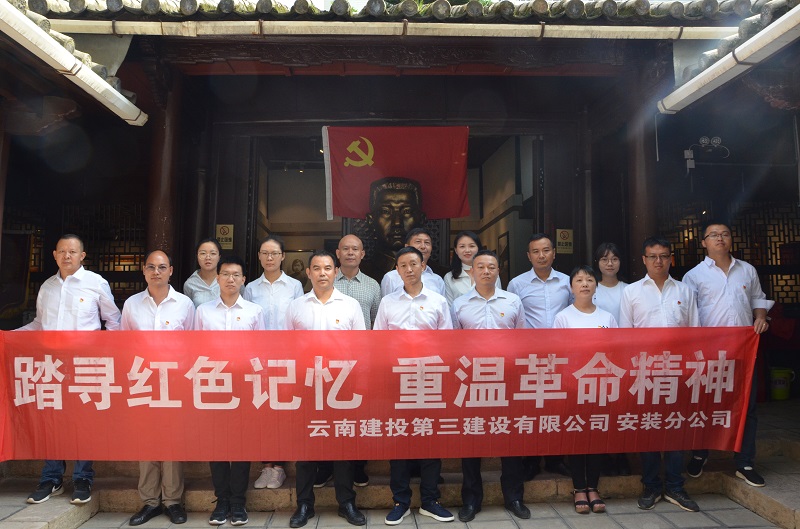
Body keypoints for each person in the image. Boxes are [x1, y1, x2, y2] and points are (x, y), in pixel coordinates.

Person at [20, 234, 121, 505]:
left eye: (72, 251)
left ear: (82, 255)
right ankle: (51, 478)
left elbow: (113, 321)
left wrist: (105, 354)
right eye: (62, 251)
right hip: (52, 365)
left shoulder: (95, 283)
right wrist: (9, 336)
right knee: (52, 420)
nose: (67, 256)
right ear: (54, 255)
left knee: (83, 422)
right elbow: (39, 324)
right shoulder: (48, 287)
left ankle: (82, 478)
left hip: (85, 365)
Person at [682, 221, 774, 487]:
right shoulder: (694, 276)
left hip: (743, 348)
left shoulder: (747, 270)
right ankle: (700, 453)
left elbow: (757, 299)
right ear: (704, 242)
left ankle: (744, 462)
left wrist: (761, 318)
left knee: (746, 406)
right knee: (704, 404)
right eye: (713, 235)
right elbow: (689, 313)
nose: (719, 238)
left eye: (724, 234)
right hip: (709, 353)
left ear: (731, 239)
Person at [285, 251, 367, 529]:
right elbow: (286, 350)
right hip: (305, 385)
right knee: (305, 449)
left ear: (335, 272)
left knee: (343, 447)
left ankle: (346, 502)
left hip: (341, 387)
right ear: (308, 273)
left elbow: (360, 348)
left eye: (328, 268)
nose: (322, 273)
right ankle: (304, 504)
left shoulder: (350, 305)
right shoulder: (295, 307)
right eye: (317, 268)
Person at [619, 236, 700, 513]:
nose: (658, 261)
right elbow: (625, 335)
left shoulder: (685, 291)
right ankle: (651, 485)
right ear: (644, 260)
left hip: (678, 370)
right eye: (652, 256)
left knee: (676, 427)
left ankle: (676, 485)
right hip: (645, 372)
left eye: (664, 256)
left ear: (671, 259)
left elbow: (695, 332)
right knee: (649, 428)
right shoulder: (631, 292)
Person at [374, 246, 454, 526]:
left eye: (413, 264)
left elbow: (447, 342)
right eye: (403, 265)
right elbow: (379, 342)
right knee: (398, 440)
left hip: (430, 378)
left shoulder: (438, 301)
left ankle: (430, 500)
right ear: (396, 270)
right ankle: (401, 501)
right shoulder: (388, 303)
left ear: (422, 266)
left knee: (430, 437)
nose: (409, 269)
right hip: (397, 380)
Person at [450, 250, 530, 522]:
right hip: (472, 381)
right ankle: (471, 499)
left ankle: (514, 497)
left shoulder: (513, 301)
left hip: (507, 379)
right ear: (472, 271)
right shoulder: (459, 304)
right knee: (472, 439)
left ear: (498, 271)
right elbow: (453, 344)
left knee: (510, 438)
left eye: (491, 267)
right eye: (481, 267)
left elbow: (522, 340)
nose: (486, 271)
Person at [121, 250, 194, 526]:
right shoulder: (131, 304)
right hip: (142, 381)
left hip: (174, 382)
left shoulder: (185, 304)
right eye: (151, 267)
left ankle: (172, 501)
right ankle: (150, 501)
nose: (156, 272)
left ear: (171, 271)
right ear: (143, 270)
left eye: (162, 267)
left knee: (172, 441)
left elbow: (193, 345)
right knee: (147, 440)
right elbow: (124, 343)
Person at [195, 255, 265, 526]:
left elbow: (260, 354)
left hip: (244, 387)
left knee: (241, 446)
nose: (231, 279)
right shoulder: (203, 311)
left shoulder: (254, 312)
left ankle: (238, 502)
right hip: (213, 386)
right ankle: (222, 499)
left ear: (244, 279)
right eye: (225, 274)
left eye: (236, 275)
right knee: (217, 445)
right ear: (217, 278)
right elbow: (196, 350)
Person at [311, 235, 381, 490]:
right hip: (323, 364)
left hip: (358, 364)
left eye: (355, 249)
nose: (350, 252)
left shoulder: (373, 285)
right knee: (323, 416)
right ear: (338, 253)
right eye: (345, 249)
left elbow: (375, 323)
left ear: (363, 254)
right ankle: (325, 467)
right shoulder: (325, 280)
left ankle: (357, 466)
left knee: (356, 416)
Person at [507, 233, 572, 478]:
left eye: (546, 250)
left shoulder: (567, 282)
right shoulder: (517, 284)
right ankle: (531, 459)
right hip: (530, 355)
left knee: (557, 406)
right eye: (536, 251)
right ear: (528, 256)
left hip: (560, 354)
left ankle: (555, 459)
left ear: (554, 253)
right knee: (531, 407)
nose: (541, 256)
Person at [553, 265, 617, 515]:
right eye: (579, 280)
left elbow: (616, 352)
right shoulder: (563, 317)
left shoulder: (607, 318)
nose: (584, 284)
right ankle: (579, 487)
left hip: (601, 385)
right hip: (573, 386)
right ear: (571, 287)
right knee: (577, 435)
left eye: (589, 280)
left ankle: (593, 487)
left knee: (597, 436)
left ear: (596, 286)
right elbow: (558, 355)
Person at [243, 235, 303, 491]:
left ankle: (279, 466)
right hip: (259, 360)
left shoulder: (294, 286)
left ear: (282, 256)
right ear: (259, 256)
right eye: (265, 253)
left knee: (283, 412)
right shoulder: (250, 288)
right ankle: (266, 465)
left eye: (274, 253)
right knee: (263, 413)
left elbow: (298, 321)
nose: (269, 258)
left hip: (287, 358)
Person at [592, 242, 631, 476]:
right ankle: (603, 455)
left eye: (614, 259)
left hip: (622, 355)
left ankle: (621, 454)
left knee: (620, 407)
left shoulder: (629, 289)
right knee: (599, 407)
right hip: (595, 358)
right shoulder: (590, 287)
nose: (609, 264)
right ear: (597, 262)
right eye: (604, 259)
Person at [362, 177, 426, 279]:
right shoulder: (360, 274)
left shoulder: (438, 276)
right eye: (386, 212)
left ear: (421, 220)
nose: (397, 223)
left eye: (407, 211)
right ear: (371, 220)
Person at [380, 228, 445, 298]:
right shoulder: (391, 277)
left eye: (427, 242)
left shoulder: (437, 280)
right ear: (407, 247)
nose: (423, 246)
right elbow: (387, 303)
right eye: (418, 242)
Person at [444, 231, 500, 305]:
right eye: (462, 246)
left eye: (471, 246)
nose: (467, 250)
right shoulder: (449, 277)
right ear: (456, 250)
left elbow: (499, 301)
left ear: (478, 248)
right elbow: (449, 307)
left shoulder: (491, 273)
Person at [183, 238, 222, 307]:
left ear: (219, 257)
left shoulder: (228, 279)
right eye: (203, 253)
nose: (208, 257)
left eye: (213, 253)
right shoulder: (190, 284)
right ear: (197, 257)